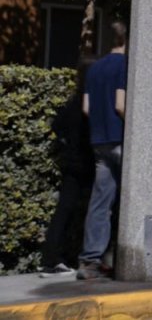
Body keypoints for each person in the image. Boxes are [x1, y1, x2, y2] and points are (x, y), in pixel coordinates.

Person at [77, 21, 128, 281]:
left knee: (100, 203)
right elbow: (121, 104)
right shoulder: (125, 65)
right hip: (120, 138)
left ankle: (89, 261)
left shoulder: (94, 68)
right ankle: (122, 258)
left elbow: (86, 108)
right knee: (128, 203)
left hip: (98, 141)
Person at [38, 55, 97, 277]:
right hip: (84, 164)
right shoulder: (88, 104)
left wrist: (66, 145)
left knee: (66, 210)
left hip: (72, 163)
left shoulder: (74, 102)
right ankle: (55, 258)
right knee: (80, 211)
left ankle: (54, 257)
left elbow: (57, 126)